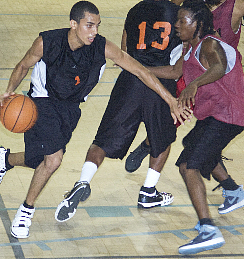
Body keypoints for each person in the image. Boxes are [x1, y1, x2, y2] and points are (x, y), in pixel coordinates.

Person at [0, 1, 189, 238]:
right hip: (41, 103)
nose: (94, 31)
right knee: (53, 160)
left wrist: (169, 99)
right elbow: (23, 65)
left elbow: (141, 71)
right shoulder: (47, 42)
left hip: (70, 109)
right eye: (89, 25)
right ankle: (26, 210)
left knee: (39, 160)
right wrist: (8, 91)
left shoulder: (102, 47)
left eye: (97, 25)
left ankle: (4, 159)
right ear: (73, 24)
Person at [54, 0, 192, 222]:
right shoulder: (180, 16)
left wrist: (138, 70)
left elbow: (125, 51)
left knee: (102, 140)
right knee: (163, 138)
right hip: (161, 84)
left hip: (128, 83)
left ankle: (84, 180)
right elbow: (177, 70)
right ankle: (148, 192)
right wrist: (148, 73)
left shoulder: (135, 9)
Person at [125, 0, 244, 222]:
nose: (176, 24)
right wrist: (137, 69)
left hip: (229, 114)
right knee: (193, 145)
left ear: (197, 24)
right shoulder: (190, 47)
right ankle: (233, 190)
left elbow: (218, 67)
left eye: (181, 20)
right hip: (216, 114)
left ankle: (207, 227)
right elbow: (172, 71)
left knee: (188, 165)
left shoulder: (209, 44)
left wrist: (194, 84)